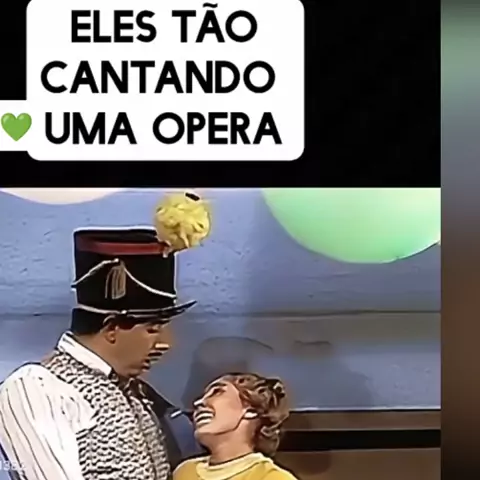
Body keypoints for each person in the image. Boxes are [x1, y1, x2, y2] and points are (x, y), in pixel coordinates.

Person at [0, 192, 211, 480]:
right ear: (111, 327)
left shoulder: (137, 394)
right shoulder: (37, 388)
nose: (165, 344)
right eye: (152, 328)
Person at [173, 373, 298, 480]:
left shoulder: (271, 477)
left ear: (251, 410)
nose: (199, 403)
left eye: (217, 392)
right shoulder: (184, 472)